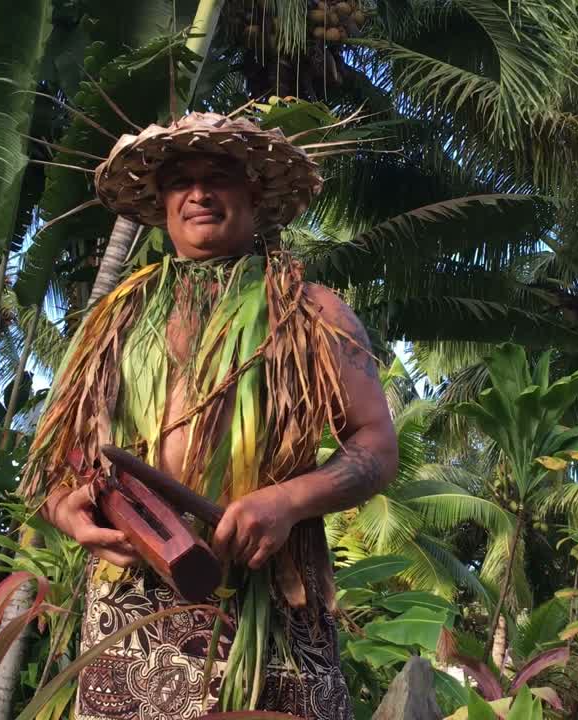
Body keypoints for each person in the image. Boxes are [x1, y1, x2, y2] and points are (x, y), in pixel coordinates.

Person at [20, 113, 398, 720]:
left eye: (217, 174)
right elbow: (58, 459)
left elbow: (376, 447)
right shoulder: (115, 315)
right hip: (134, 608)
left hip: (273, 602)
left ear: (253, 193)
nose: (198, 193)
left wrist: (289, 500)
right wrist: (69, 510)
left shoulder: (312, 312)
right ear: (162, 201)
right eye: (181, 180)